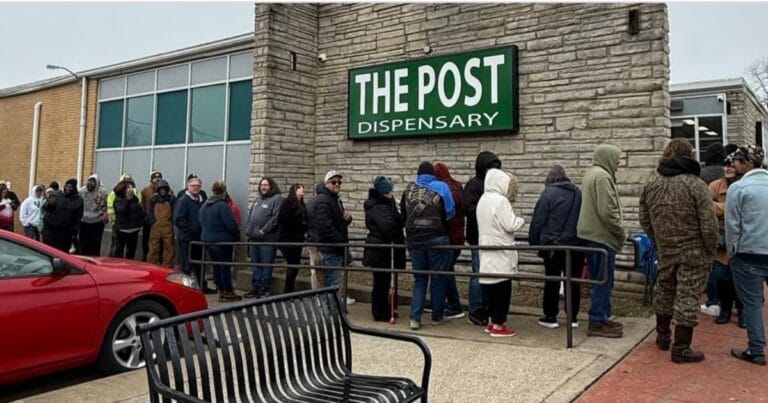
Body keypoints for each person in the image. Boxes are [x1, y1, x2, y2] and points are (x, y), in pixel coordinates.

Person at [639, 138, 718, 363]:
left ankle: (663, 336)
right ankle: (681, 347)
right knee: (688, 294)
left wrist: (659, 238)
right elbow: (708, 222)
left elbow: (644, 218)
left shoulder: (652, 183)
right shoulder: (695, 184)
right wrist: (710, 249)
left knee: (664, 289)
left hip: (666, 248)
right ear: (689, 155)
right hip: (694, 250)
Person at [726, 145, 768, 366]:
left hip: (749, 252)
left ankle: (756, 349)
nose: (734, 165)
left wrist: (732, 251)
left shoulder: (739, 188)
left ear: (746, 163)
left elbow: (733, 224)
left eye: (737, 161)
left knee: (752, 304)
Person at [578, 144, 625, 338]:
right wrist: (621, 232)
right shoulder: (603, 177)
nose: (619, 163)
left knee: (600, 278)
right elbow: (607, 211)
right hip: (602, 236)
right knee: (604, 280)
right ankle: (597, 321)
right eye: (617, 159)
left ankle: (603, 317)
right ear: (608, 157)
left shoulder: (591, 173)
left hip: (591, 234)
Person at [401, 162, 455, 330]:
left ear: (418, 174)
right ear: (433, 174)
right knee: (438, 277)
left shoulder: (409, 189)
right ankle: (437, 316)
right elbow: (450, 211)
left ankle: (415, 318)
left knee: (419, 279)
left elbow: (403, 214)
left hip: (414, 240)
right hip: (437, 238)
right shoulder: (442, 187)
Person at [529, 165, 584, 329]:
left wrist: (534, 240)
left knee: (552, 280)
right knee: (573, 281)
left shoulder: (549, 193)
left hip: (553, 245)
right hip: (576, 245)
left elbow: (538, 220)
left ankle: (550, 316)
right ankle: (572, 317)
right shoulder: (578, 193)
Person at [477, 169, 525, 337]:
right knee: (502, 289)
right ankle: (499, 324)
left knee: (491, 289)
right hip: (501, 251)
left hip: (486, 249)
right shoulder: (500, 201)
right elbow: (511, 224)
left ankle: (491, 321)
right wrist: (521, 219)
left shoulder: (483, 200)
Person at [463, 151, 501, 326]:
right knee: (478, 274)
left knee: (489, 275)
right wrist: (485, 211)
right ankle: (476, 311)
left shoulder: (494, 186)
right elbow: (468, 209)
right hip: (477, 237)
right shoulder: (474, 185)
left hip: (492, 236)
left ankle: (488, 308)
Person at [363, 176, 406, 321]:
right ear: (385, 192)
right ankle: (380, 312)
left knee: (383, 281)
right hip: (380, 249)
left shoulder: (383, 205)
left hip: (382, 249)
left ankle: (384, 309)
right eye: (390, 190)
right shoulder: (380, 206)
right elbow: (388, 227)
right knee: (381, 282)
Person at [708, 153, 744, 327]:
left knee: (741, 279)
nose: (728, 168)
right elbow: (707, 208)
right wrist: (728, 207)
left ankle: (742, 310)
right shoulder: (714, 186)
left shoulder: (744, 185)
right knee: (721, 278)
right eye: (725, 165)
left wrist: (721, 208)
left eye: (731, 164)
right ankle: (725, 309)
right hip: (721, 242)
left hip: (743, 241)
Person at [306, 171, 353, 295]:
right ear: (326, 184)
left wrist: (346, 220)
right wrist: (340, 241)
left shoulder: (333, 200)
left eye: (339, 182)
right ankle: (331, 312)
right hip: (329, 249)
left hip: (332, 248)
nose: (337, 184)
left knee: (330, 283)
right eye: (333, 182)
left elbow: (334, 221)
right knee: (332, 284)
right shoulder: (324, 201)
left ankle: (330, 310)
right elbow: (325, 227)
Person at [199, 181, 242, 302]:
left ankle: (220, 290)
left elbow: (200, 220)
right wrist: (236, 236)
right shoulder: (222, 206)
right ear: (224, 191)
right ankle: (227, 291)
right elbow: (231, 225)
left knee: (216, 266)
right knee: (225, 267)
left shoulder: (205, 205)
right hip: (223, 241)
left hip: (207, 240)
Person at [432, 162, 465, 319]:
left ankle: (454, 305)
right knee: (446, 269)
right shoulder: (458, 186)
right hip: (459, 235)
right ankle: (443, 302)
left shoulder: (441, 189)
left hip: (448, 236)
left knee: (446, 271)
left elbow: (445, 214)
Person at [245, 177, 283, 298]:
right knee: (256, 264)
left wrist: (263, 231)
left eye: (266, 185)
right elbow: (251, 215)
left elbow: (275, 219)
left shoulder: (277, 199)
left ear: (271, 186)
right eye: (262, 185)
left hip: (266, 239)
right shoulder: (258, 200)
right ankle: (255, 286)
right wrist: (248, 229)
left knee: (266, 264)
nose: (263, 187)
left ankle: (264, 288)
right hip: (254, 238)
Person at [174, 176, 208, 291]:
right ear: (188, 187)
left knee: (200, 265)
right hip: (186, 239)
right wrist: (190, 231)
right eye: (193, 186)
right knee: (186, 266)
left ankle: (201, 286)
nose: (195, 188)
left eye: (198, 186)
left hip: (200, 239)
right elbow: (178, 219)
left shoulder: (203, 200)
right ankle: (185, 289)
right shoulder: (183, 201)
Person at [277, 184, 307, 293]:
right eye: (299, 188)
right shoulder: (288, 203)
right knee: (293, 263)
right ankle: (288, 289)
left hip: (297, 238)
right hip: (288, 238)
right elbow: (283, 219)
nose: (302, 190)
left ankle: (290, 288)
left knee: (294, 264)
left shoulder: (302, 204)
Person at [42, 179, 84, 253]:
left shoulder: (78, 200)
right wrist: (49, 203)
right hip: (50, 230)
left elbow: (78, 217)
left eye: (70, 187)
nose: (68, 188)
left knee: (61, 253)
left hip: (65, 233)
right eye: (66, 186)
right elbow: (46, 208)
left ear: (74, 188)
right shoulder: (56, 195)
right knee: (48, 252)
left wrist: (75, 232)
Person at [107, 174, 141, 256]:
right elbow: (121, 210)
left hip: (134, 229)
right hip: (122, 229)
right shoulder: (118, 199)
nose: (130, 189)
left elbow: (138, 210)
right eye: (128, 188)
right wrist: (127, 200)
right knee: (118, 250)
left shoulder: (135, 197)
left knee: (131, 251)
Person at [147, 179, 175, 267]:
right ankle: (153, 264)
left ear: (167, 189)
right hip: (156, 227)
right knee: (154, 247)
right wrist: (153, 222)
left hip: (168, 226)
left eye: (164, 189)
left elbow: (175, 211)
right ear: (158, 189)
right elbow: (150, 211)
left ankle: (168, 264)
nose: (163, 191)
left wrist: (171, 221)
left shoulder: (171, 199)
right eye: (161, 189)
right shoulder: (154, 199)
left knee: (169, 247)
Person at [79, 174, 108, 256]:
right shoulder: (81, 191)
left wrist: (105, 214)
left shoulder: (102, 192)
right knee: (83, 244)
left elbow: (106, 205)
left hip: (97, 221)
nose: (90, 184)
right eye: (89, 181)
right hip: (84, 221)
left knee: (95, 245)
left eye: (93, 182)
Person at [141, 171, 164, 261]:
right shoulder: (145, 190)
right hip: (148, 222)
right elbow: (142, 205)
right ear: (151, 180)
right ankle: (145, 259)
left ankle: (159, 260)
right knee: (146, 242)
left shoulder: (166, 190)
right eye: (155, 179)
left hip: (161, 222)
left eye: (159, 179)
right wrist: (145, 218)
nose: (157, 181)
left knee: (160, 243)